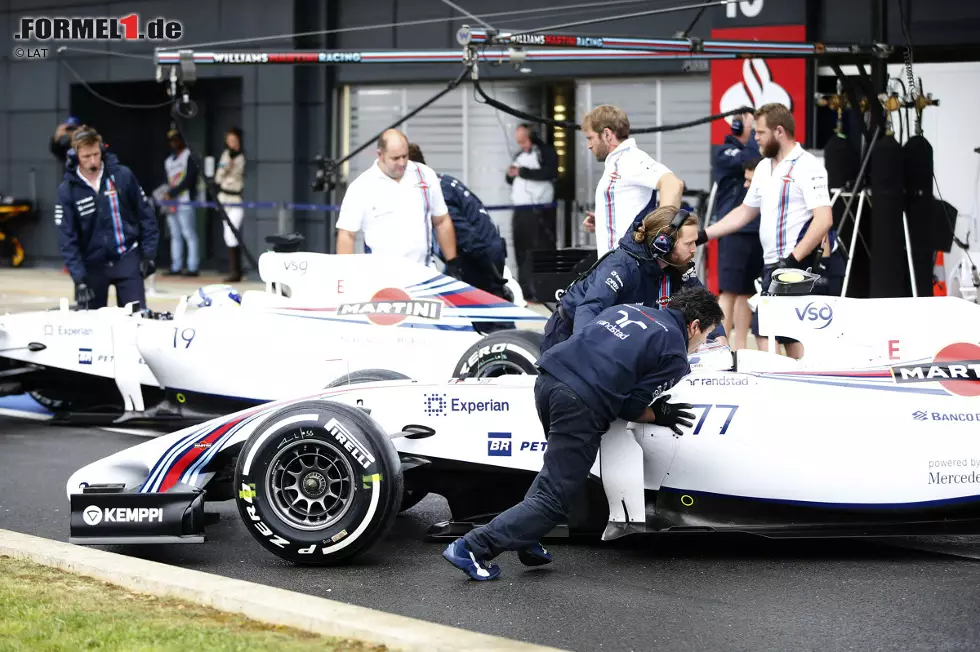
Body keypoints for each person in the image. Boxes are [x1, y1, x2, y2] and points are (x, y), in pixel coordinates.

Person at [442, 285, 724, 581]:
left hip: (548, 381)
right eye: (706, 335)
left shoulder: (627, 309)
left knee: (553, 475)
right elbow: (630, 408)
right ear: (694, 326)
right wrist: (660, 414)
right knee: (554, 499)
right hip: (579, 402)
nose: (702, 343)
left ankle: (525, 536)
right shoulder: (675, 354)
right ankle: (471, 547)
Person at [700, 103, 836, 358]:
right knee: (779, 332)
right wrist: (703, 235)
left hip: (797, 262)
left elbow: (824, 219)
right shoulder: (763, 167)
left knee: (771, 330)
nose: (755, 138)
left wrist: (794, 259)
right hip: (771, 262)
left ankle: (791, 383)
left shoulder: (808, 165)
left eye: (760, 132)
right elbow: (744, 212)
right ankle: (796, 381)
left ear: (779, 132)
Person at [541, 205, 727, 353]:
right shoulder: (622, 265)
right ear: (663, 244)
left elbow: (704, 306)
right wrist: (588, 355)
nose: (694, 249)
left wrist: (719, 339)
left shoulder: (678, 265)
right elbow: (589, 309)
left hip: (618, 337)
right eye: (688, 243)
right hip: (568, 334)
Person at [408, 143, 515, 330]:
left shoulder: (437, 190)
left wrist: (492, 278)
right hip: (484, 253)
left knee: (489, 324)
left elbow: (462, 234)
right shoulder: (444, 181)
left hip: (476, 258)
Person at [55, 126, 159, 310]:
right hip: (91, 266)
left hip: (127, 257)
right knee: (89, 327)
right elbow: (66, 237)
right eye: (86, 156)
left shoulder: (122, 176)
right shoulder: (68, 189)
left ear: (101, 150)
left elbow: (146, 215)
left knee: (136, 321)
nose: (93, 160)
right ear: (75, 155)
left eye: (96, 154)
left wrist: (149, 254)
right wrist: (78, 278)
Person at [336, 129, 461, 277]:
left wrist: (452, 263)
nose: (402, 163)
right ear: (380, 155)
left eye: (405, 156)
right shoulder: (361, 186)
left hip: (424, 274)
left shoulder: (425, 175)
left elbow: (441, 220)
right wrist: (345, 276)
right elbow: (347, 234)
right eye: (395, 158)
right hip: (381, 280)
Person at [580, 105, 686, 256]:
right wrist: (604, 221)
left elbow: (673, 184)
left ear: (607, 134)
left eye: (590, 138)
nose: (589, 145)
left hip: (627, 269)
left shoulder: (629, 159)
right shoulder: (617, 163)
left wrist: (664, 233)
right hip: (616, 268)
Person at [715, 151, 764, 351]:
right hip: (734, 233)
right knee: (728, 292)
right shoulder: (726, 150)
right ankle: (721, 345)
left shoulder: (766, 161)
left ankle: (740, 347)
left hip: (758, 234)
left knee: (747, 292)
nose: (746, 185)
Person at [506, 124, 558, 300]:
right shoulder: (519, 155)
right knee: (522, 251)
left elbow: (550, 172)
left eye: (524, 140)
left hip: (540, 210)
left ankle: (542, 290)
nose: (522, 145)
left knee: (540, 250)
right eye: (519, 142)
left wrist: (523, 172)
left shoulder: (545, 152)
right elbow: (510, 179)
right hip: (521, 210)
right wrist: (511, 174)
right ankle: (525, 290)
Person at [162, 127, 200, 277]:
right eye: (171, 140)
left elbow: (189, 179)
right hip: (171, 203)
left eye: (176, 139)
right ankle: (176, 266)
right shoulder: (168, 161)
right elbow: (167, 181)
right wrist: (166, 194)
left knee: (189, 233)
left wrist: (172, 193)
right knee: (175, 235)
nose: (174, 142)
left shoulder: (188, 156)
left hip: (185, 200)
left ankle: (192, 267)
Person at [214, 126, 246, 282]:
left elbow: (239, 175)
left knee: (232, 233)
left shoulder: (241, 157)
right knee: (227, 234)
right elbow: (218, 177)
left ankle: (237, 272)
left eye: (234, 140)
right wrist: (227, 164)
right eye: (229, 140)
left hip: (237, 199)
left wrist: (233, 163)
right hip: (224, 199)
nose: (232, 143)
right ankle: (234, 271)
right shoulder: (225, 155)